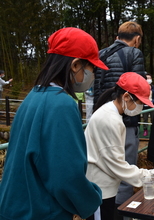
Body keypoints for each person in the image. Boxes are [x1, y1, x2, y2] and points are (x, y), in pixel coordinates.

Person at [0, 27, 108, 219]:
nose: (93, 75)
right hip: (41, 210)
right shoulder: (61, 104)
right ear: (75, 65)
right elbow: (67, 175)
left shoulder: (33, 96)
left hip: (18, 206)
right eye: (92, 68)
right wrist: (92, 199)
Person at [85, 72, 154, 220]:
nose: (141, 107)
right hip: (99, 189)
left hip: (104, 186)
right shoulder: (109, 120)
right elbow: (116, 164)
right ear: (126, 97)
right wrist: (149, 176)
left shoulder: (111, 113)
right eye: (139, 102)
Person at [93, 21, 146, 213]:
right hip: (126, 119)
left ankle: (105, 207)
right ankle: (121, 210)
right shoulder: (134, 53)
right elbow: (137, 88)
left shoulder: (101, 54)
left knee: (104, 163)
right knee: (125, 165)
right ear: (137, 38)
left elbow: (96, 86)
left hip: (103, 113)